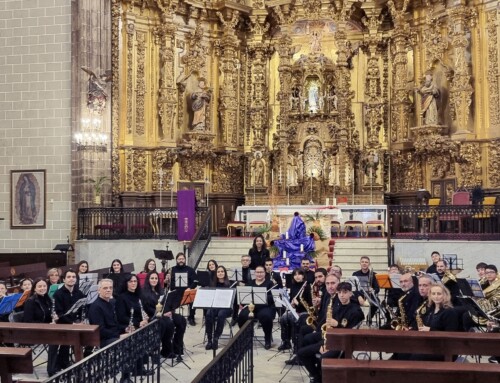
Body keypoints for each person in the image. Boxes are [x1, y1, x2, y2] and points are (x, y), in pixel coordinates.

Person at [299, 282, 364, 383]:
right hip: (330, 337)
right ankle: (317, 375)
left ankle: (320, 377)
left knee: (323, 358)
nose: (341, 295)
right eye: (339, 292)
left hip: (341, 343)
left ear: (351, 293)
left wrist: (336, 324)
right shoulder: (336, 304)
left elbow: (350, 334)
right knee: (302, 349)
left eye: (345, 292)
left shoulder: (356, 311)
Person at [88, 279, 132, 383]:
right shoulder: (96, 307)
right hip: (102, 340)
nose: (108, 290)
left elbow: (114, 324)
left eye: (110, 288)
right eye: (105, 288)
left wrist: (124, 329)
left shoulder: (111, 302)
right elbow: (100, 330)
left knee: (134, 339)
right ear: (99, 290)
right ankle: (124, 378)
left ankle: (130, 373)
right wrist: (119, 336)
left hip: (112, 336)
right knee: (125, 344)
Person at [48, 270, 85, 376]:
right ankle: (59, 365)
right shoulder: (58, 294)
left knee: (81, 337)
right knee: (64, 339)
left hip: (75, 324)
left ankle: (69, 363)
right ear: (63, 279)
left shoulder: (79, 293)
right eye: (69, 277)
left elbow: (82, 308)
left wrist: (80, 320)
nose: (71, 279)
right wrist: (72, 323)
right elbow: (59, 314)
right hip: (62, 324)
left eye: (74, 277)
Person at [116, 274, 153, 377]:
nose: (133, 283)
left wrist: (146, 319)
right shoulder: (122, 298)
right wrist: (138, 323)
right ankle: (135, 368)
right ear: (126, 283)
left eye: (135, 281)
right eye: (131, 281)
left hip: (138, 324)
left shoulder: (139, 296)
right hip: (127, 326)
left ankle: (140, 367)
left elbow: (143, 310)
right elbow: (121, 317)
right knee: (139, 338)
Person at [141, 271, 184, 359]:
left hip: (164, 313)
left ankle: (177, 347)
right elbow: (147, 309)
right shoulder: (144, 293)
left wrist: (169, 311)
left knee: (182, 320)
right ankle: (166, 350)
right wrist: (163, 313)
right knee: (168, 323)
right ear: (148, 280)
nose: (154, 280)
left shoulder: (160, 290)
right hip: (153, 316)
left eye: (156, 278)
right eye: (152, 278)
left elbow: (166, 303)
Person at [237, 265, 276, 349]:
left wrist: (263, 296)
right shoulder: (250, 283)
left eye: (261, 272)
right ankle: (246, 337)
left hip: (265, 307)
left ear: (265, 273)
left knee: (266, 317)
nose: (259, 274)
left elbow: (273, 298)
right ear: (254, 273)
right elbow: (244, 297)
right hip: (252, 307)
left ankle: (267, 339)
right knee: (242, 316)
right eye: (257, 272)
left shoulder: (270, 283)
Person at [278, 268, 312, 352]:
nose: (297, 276)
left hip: (305, 312)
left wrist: (298, 304)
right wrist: (292, 303)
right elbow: (292, 299)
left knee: (294, 320)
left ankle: (296, 345)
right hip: (296, 310)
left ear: (303, 275)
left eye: (299, 274)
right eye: (295, 275)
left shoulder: (307, 286)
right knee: (283, 318)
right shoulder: (293, 286)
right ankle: (286, 342)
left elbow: (310, 304)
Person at [205, 266, 232, 350]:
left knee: (221, 314)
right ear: (216, 274)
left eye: (222, 271)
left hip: (226, 308)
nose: (220, 273)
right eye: (218, 272)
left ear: (225, 273)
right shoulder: (212, 284)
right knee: (209, 313)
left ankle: (216, 337)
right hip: (215, 306)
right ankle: (209, 339)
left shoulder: (230, 284)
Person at [169, 252, 197, 326]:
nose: (181, 260)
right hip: (175, 293)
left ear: (185, 260)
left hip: (187, 293)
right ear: (176, 260)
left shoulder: (190, 270)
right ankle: (172, 317)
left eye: (182, 259)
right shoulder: (172, 270)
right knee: (169, 299)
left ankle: (191, 317)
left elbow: (195, 282)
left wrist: (189, 288)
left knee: (193, 299)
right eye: (179, 259)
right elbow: (169, 283)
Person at [352, 256, 380, 324]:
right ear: (360, 263)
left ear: (369, 264)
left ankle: (369, 318)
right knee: (351, 302)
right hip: (359, 295)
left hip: (370, 294)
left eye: (366, 262)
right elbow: (353, 289)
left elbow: (377, 288)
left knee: (377, 302)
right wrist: (359, 297)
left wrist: (373, 290)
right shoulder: (355, 274)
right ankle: (358, 319)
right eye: (362, 262)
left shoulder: (374, 274)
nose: (364, 263)